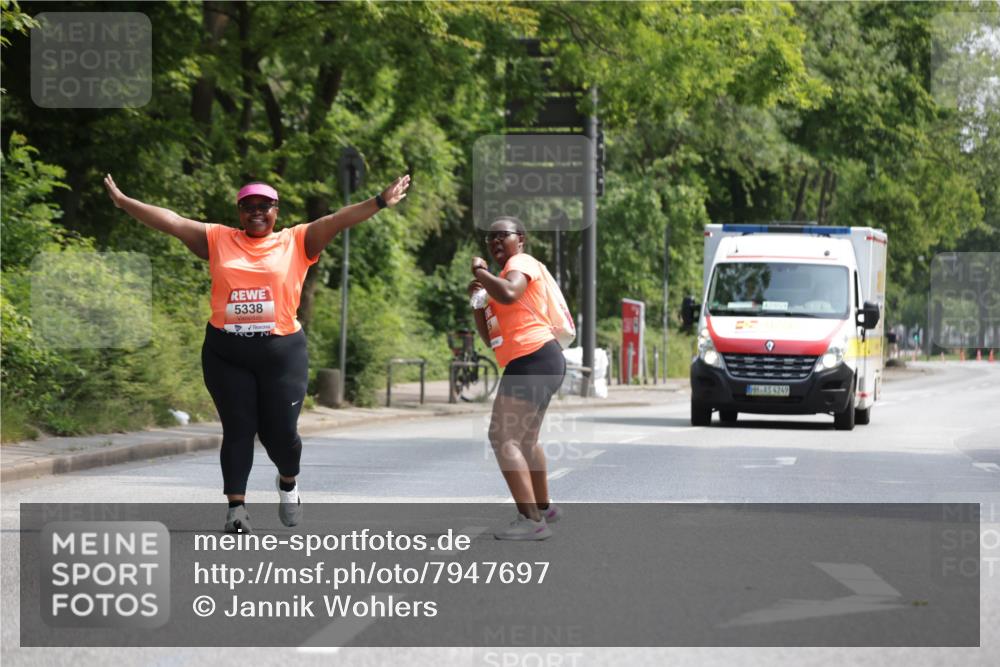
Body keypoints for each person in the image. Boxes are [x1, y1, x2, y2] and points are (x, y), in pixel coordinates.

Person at [103, 173, 410, 533]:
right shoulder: (218, 239)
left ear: (276, 210)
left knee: (280, 436)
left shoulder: (297, 240)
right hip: (226, 351)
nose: (256, 213)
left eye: (264, 206)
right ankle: (236, 508)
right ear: (239, 212)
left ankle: (288, 482)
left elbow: (337, 219)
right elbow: (172, 221)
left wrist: (378, 201)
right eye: (248, 207)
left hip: (281, 353)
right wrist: (125, 202)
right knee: (238, 429)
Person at [468, 216, 567, 540]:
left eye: (503, 236)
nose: (496, 242)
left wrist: (480, 272)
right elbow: (490, 338)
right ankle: (544, 507)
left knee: (503, 438)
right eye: (490, 238)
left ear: (520, 239)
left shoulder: (521, 263)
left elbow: (511, 293)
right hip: (539, 359)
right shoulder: (500, 278)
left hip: (533, 358)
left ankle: (531, 520)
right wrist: (478, 304)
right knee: (525, 441)